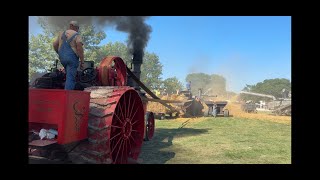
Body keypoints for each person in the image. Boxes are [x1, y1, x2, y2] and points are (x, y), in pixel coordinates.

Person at [53, 20, 84, 90]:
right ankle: (67, 95)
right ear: (74, 27)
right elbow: (79, 48)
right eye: (77, 28)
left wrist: (59, 53)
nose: (77, 30)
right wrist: (82, 61)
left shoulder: (61, 34)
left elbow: (54, 44)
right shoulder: (77, 35)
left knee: (67, 74)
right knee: (70, 78)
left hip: (62, 58)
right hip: (72, 58)